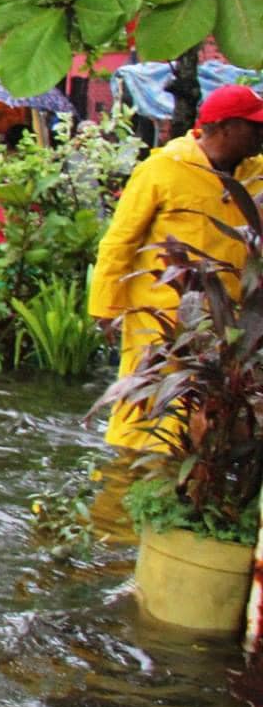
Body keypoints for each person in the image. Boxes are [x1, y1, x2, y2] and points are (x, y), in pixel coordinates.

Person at [90, 85, 263, 451]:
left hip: (228, 322)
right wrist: (105, 310)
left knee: (212, 415)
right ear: (227, 128)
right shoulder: (162, 169)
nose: (261, 134)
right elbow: (119, 242)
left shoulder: (256, 172)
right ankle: (126, 480)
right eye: (255, 126)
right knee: (145, 408)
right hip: (161, 317)